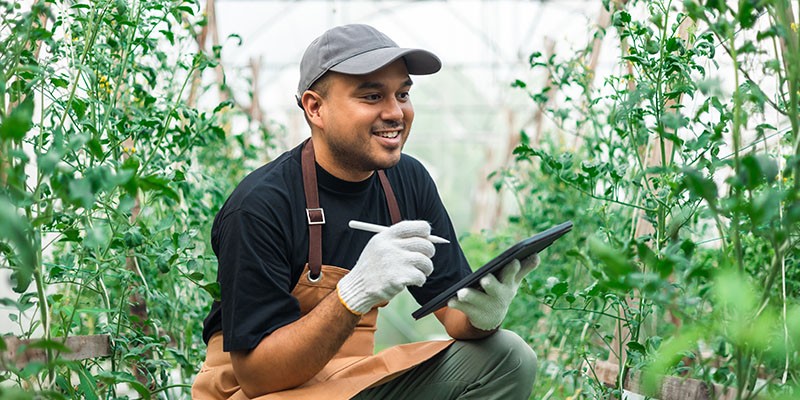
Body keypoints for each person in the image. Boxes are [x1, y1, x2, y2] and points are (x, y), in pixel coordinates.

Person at [192, 24, 540, 400]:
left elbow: (454, 316)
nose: (395, 112)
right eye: (372, 96)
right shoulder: (260, 206)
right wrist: (354, 292)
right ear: (315, 108)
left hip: (352, 380)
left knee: (509, 357)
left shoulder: (407, 181)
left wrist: (484, 313)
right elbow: (258, 377)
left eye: (402, 94)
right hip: (259, 391)